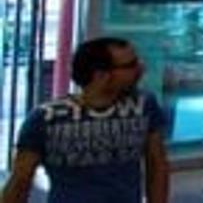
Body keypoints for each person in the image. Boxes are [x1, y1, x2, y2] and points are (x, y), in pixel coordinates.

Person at [2, 37, 169, 202]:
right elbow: (20, 183)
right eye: (131, 65)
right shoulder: (46, 119)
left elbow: (157, 165)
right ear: (101, 76)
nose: (141, 68)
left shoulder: (144, 106)